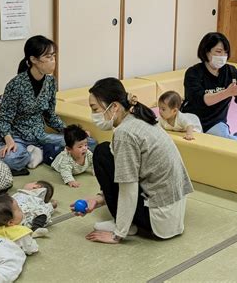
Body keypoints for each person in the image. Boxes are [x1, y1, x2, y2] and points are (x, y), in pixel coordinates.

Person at [71, 77, 193, 244]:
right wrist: (99, 199)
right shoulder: (139, 116)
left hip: (157, 219)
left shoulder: (125, 133)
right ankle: (126, 221)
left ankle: (127, 226)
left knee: (101, 153)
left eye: (95, 109)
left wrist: (118, 233)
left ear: (114, 106)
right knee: (106, 151)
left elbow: (128, 186)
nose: (94, 115)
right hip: (172, 211)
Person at [0, 35, 66, 176]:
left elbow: (50, 115)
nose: (53, 61)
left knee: (87, 142)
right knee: (10, 159)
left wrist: (69, 131)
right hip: (17, 137)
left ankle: (38, 151)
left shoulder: (51, 82)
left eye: (54, 56)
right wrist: (8, 141)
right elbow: (3, 119)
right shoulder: (16, 85)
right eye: (48, 57)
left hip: (39, 136)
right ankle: (39, 153)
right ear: (33, 59)